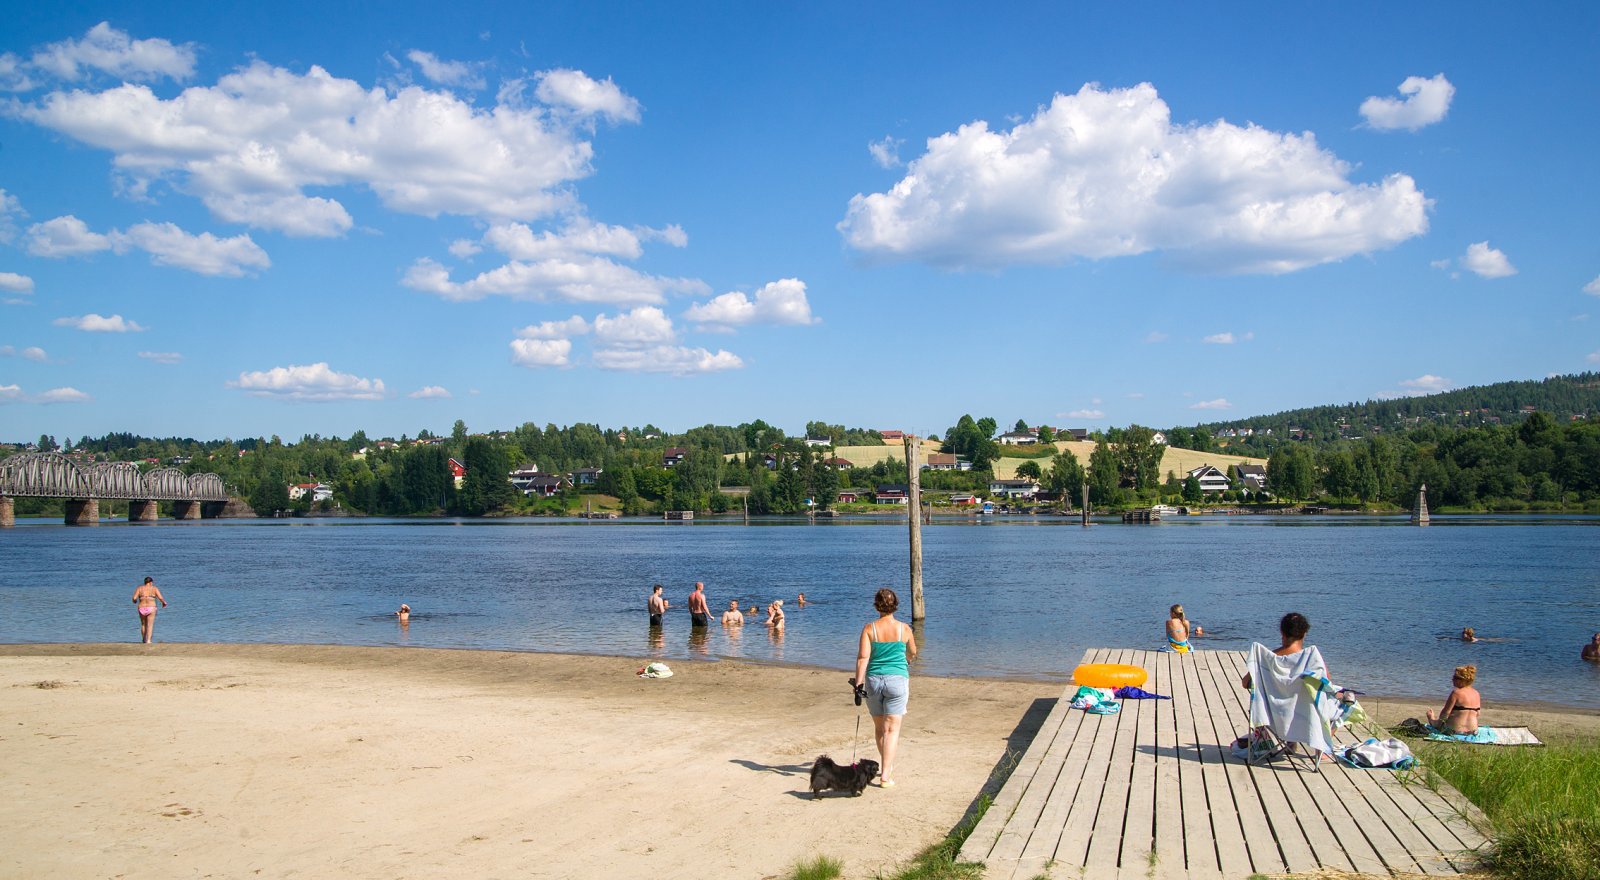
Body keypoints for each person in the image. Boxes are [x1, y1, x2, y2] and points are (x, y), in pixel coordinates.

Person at [853, 588, 918, 788]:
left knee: (880, 728)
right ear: (895, 604)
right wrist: (906, 660)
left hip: (874, 680)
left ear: (876, 605)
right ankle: (885, 775)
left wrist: (858, 685)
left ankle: (885, 766)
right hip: (897, 680)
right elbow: (913, 652)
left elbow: (863, 658)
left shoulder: (869, 628)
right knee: (892, 729)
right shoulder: (904, 629)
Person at [1241, 612, 1324, 690]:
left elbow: (1245, 683)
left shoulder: (1267, 659)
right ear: (1304, 633)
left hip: (1272, 705)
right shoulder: (1311, 658)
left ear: (1282, 632)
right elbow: (1325, 683)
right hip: (1302, 705)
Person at [1426, 665, 1482, 735]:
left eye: (1455, 677)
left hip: (1455, 731)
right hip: (1473, 731)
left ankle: (1432, 720)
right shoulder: (1476, 693)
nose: (1452, 679)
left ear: (1463, 680)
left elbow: (1445, 713)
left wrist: (1435, 722)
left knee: (1435, 721)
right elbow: (1478, 714)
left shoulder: (1456, 693)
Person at [131, 576, 167, 644]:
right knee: (150, 625)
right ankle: (148, 640)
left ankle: (144, 639)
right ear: (150, 582)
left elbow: (134, 598)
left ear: (145, 582)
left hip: (141, 607)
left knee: (143, 624)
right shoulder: (154, 588)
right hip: (151, 607)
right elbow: (160, 597)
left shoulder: (139, 588)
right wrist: (164, 602)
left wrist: (135, 601)